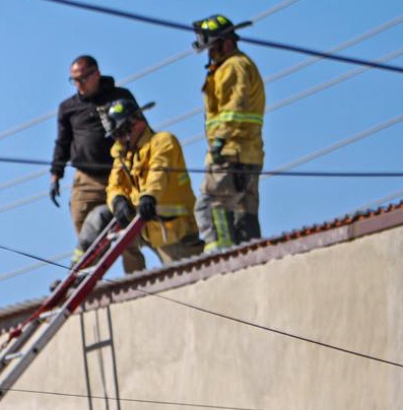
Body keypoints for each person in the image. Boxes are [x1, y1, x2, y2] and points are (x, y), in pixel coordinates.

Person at [84, 97, 203, 269]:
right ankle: (77, 277)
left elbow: (159, 173)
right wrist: (117, 200)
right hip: (143, 227)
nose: (118, 140)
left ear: (137, 124)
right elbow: (114, 185)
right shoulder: (124, 155)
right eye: (115, 135)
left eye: (120, 133)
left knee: (185, 283)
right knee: (101, 216)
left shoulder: (163, 142)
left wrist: (149, 197)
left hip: (174, 231)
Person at [50, 55, 140, 271]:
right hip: (87, 179)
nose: (78, 85)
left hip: (119, 175)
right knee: (87, 236)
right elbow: (62, 142)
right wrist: (56, 175)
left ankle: (137, 279)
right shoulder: (68, 107)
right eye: (74, 80)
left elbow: (139, 128)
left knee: (127, 232)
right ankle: (86, 279)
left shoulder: (120, 96)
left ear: (96, 74)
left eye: (82, 79)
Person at [192, 13, 265, 252]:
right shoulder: (233, 66)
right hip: (246, 152)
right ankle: (251, 260)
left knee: (210, 204)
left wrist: (220, 142)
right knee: (243, 214)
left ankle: (219, 255)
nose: (210, 54)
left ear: (225, 42)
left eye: (212, 48)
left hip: (231, 152)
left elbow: (236, 108)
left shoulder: (233, 67)